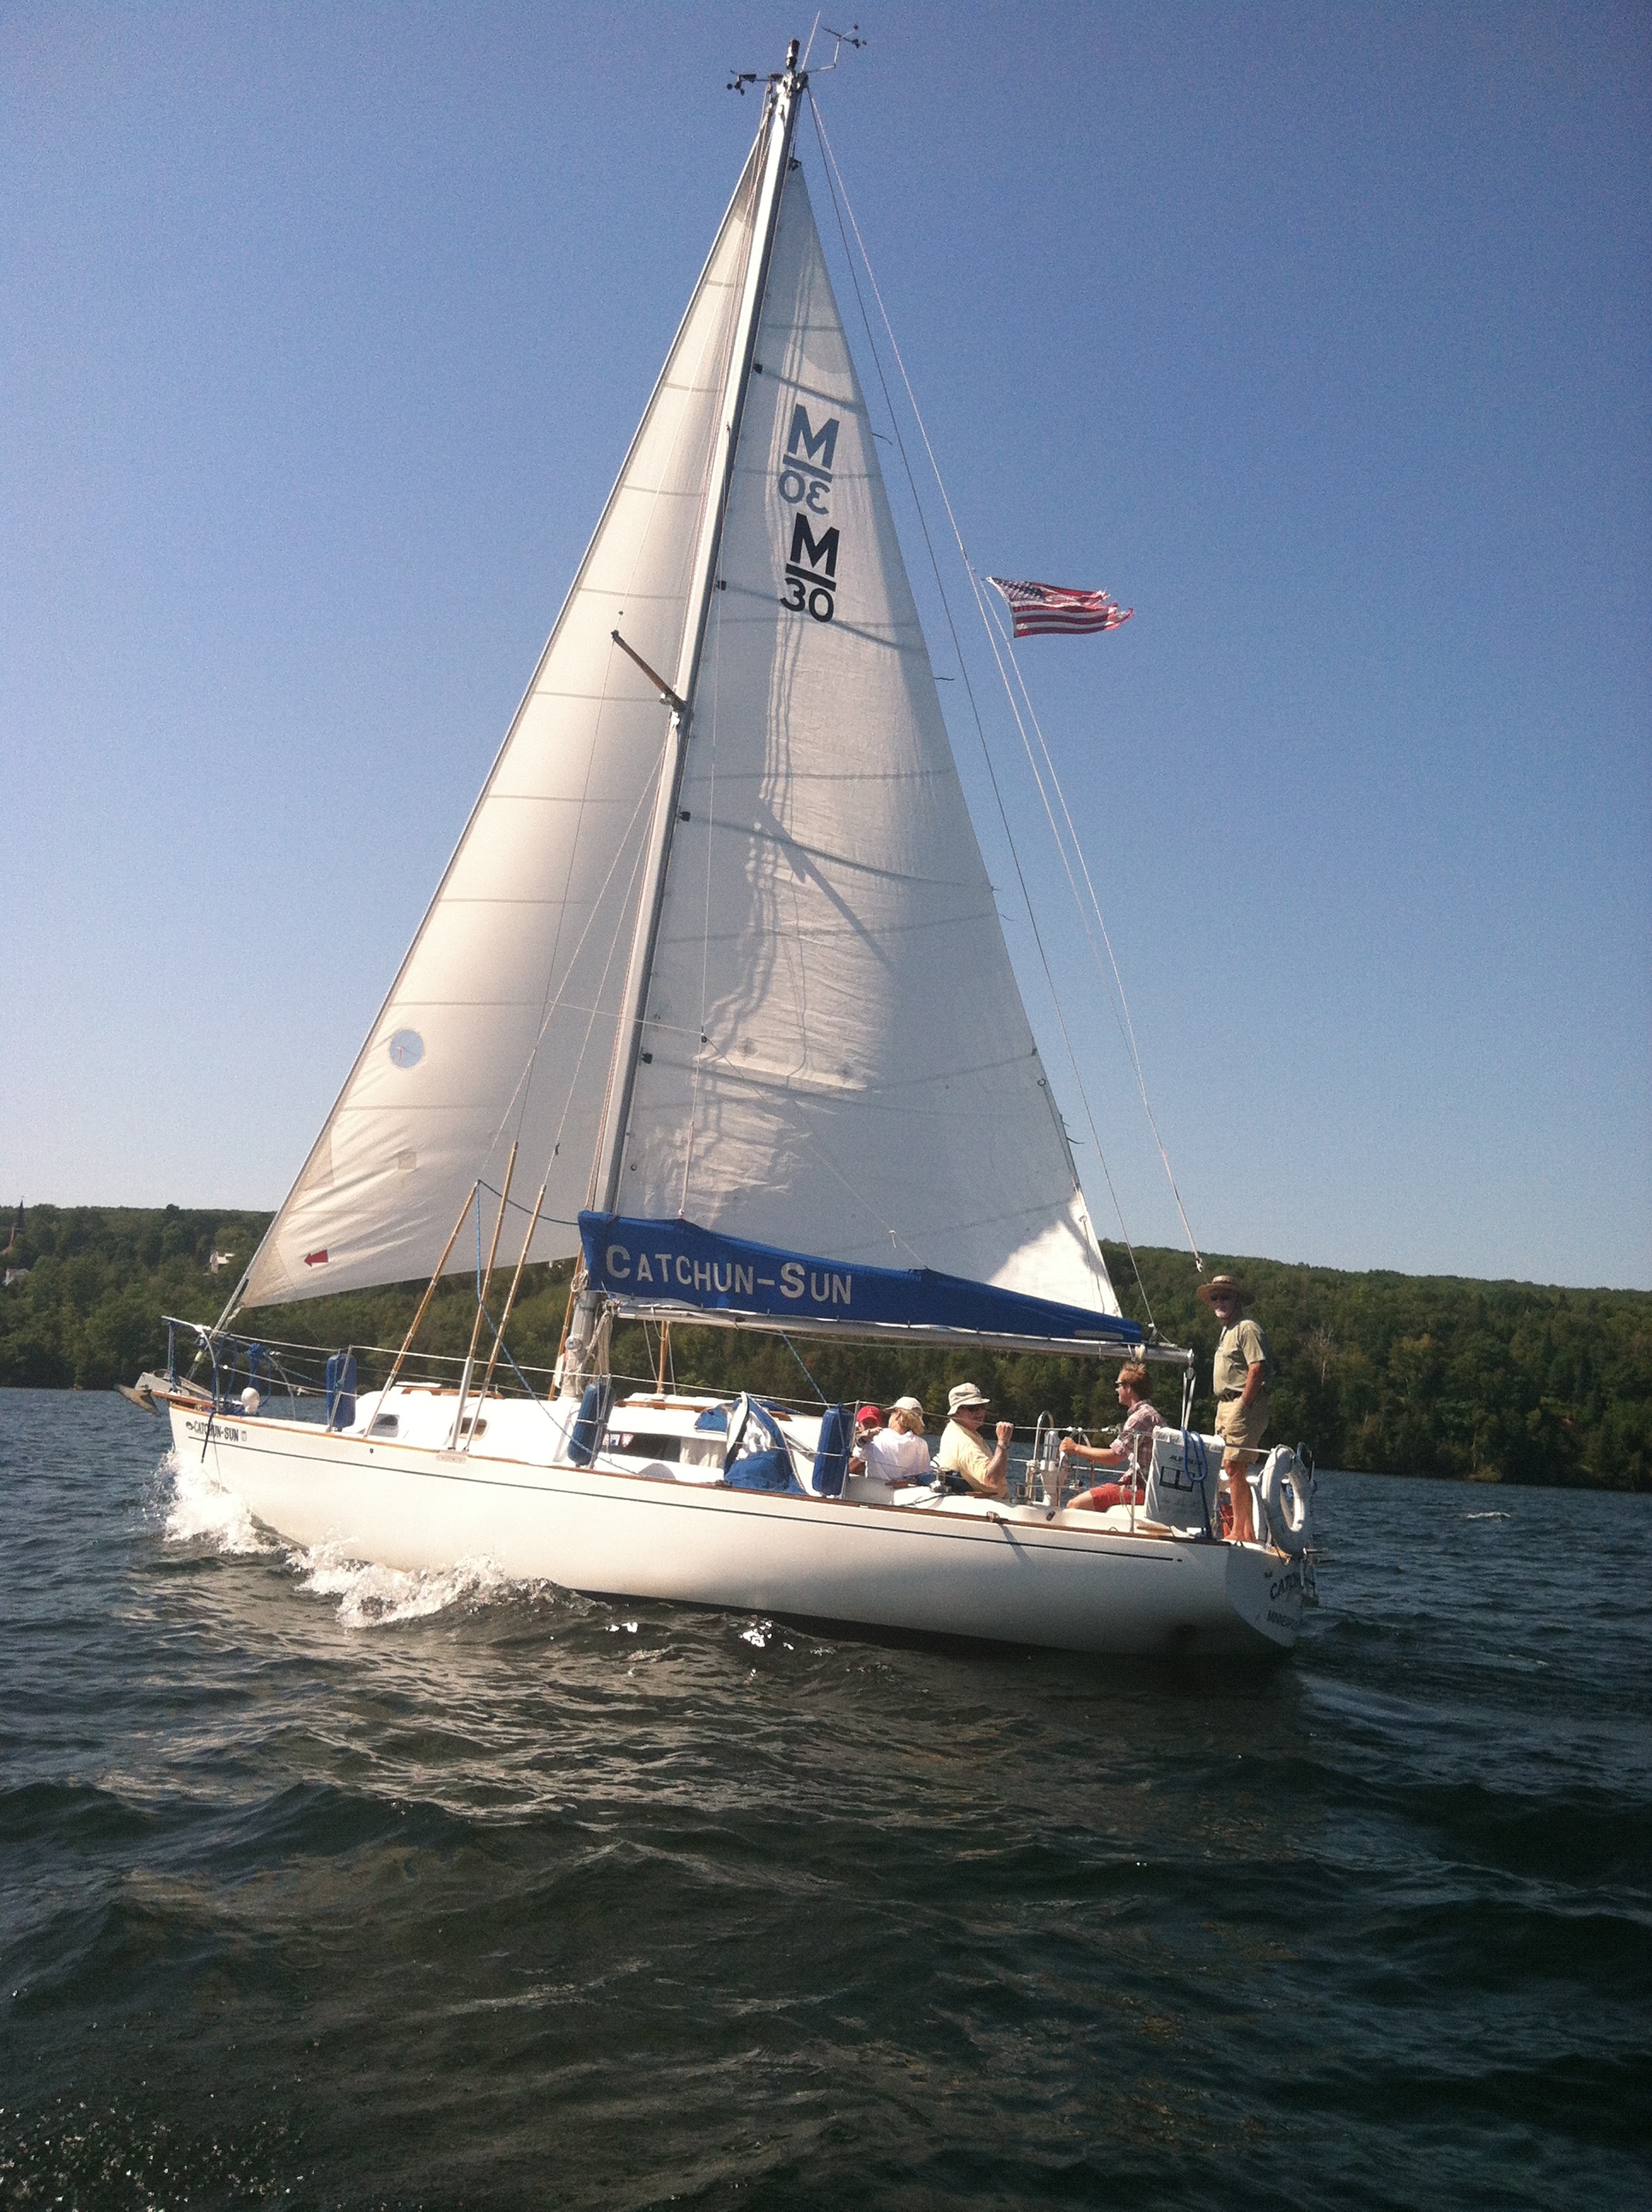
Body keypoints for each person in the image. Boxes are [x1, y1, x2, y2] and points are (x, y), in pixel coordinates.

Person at [1198, 1274, 1271, 1542]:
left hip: (1242, 1404)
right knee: (1231, 1468)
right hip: (1226, 1405)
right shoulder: (1227, 1330)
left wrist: (1244, 1405)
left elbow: (1257, 1367)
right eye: (1215, 1297)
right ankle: (1241, 1529)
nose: (1219, 1301)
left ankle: (1244, 1533)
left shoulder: (1247, 1328)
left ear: (1237, 1299)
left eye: (1225, 1296)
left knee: (1234, 1466)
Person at [1056, 1363, 1160, 1511]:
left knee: (1075, 1505)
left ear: (1129, 1388)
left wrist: (1075, 1448)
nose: (1116, 1389)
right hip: (1146, 1486)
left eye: (1118, 1385)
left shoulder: (1140, 1418)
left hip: (1141, 1488)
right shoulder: (1150, 1415)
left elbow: (1114, 1458)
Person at [935, 1382, 1012, 1499]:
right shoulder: (962, 1442)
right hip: (989, 1506)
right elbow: (992, 1479)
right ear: (957, 1412)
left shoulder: (960, 1431)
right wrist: (1003, 1442)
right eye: (973, 1408)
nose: (980, 1412)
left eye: (982, 1407)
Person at [860, 1395, 933, 1487]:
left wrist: (863, 1440)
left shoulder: (875, 1437)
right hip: (909, 1495)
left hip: (875, 1493)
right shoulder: (921, 1444)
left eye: (892, 1413)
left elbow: (857, 1456)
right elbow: (924, 1474)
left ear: (898, 1415)